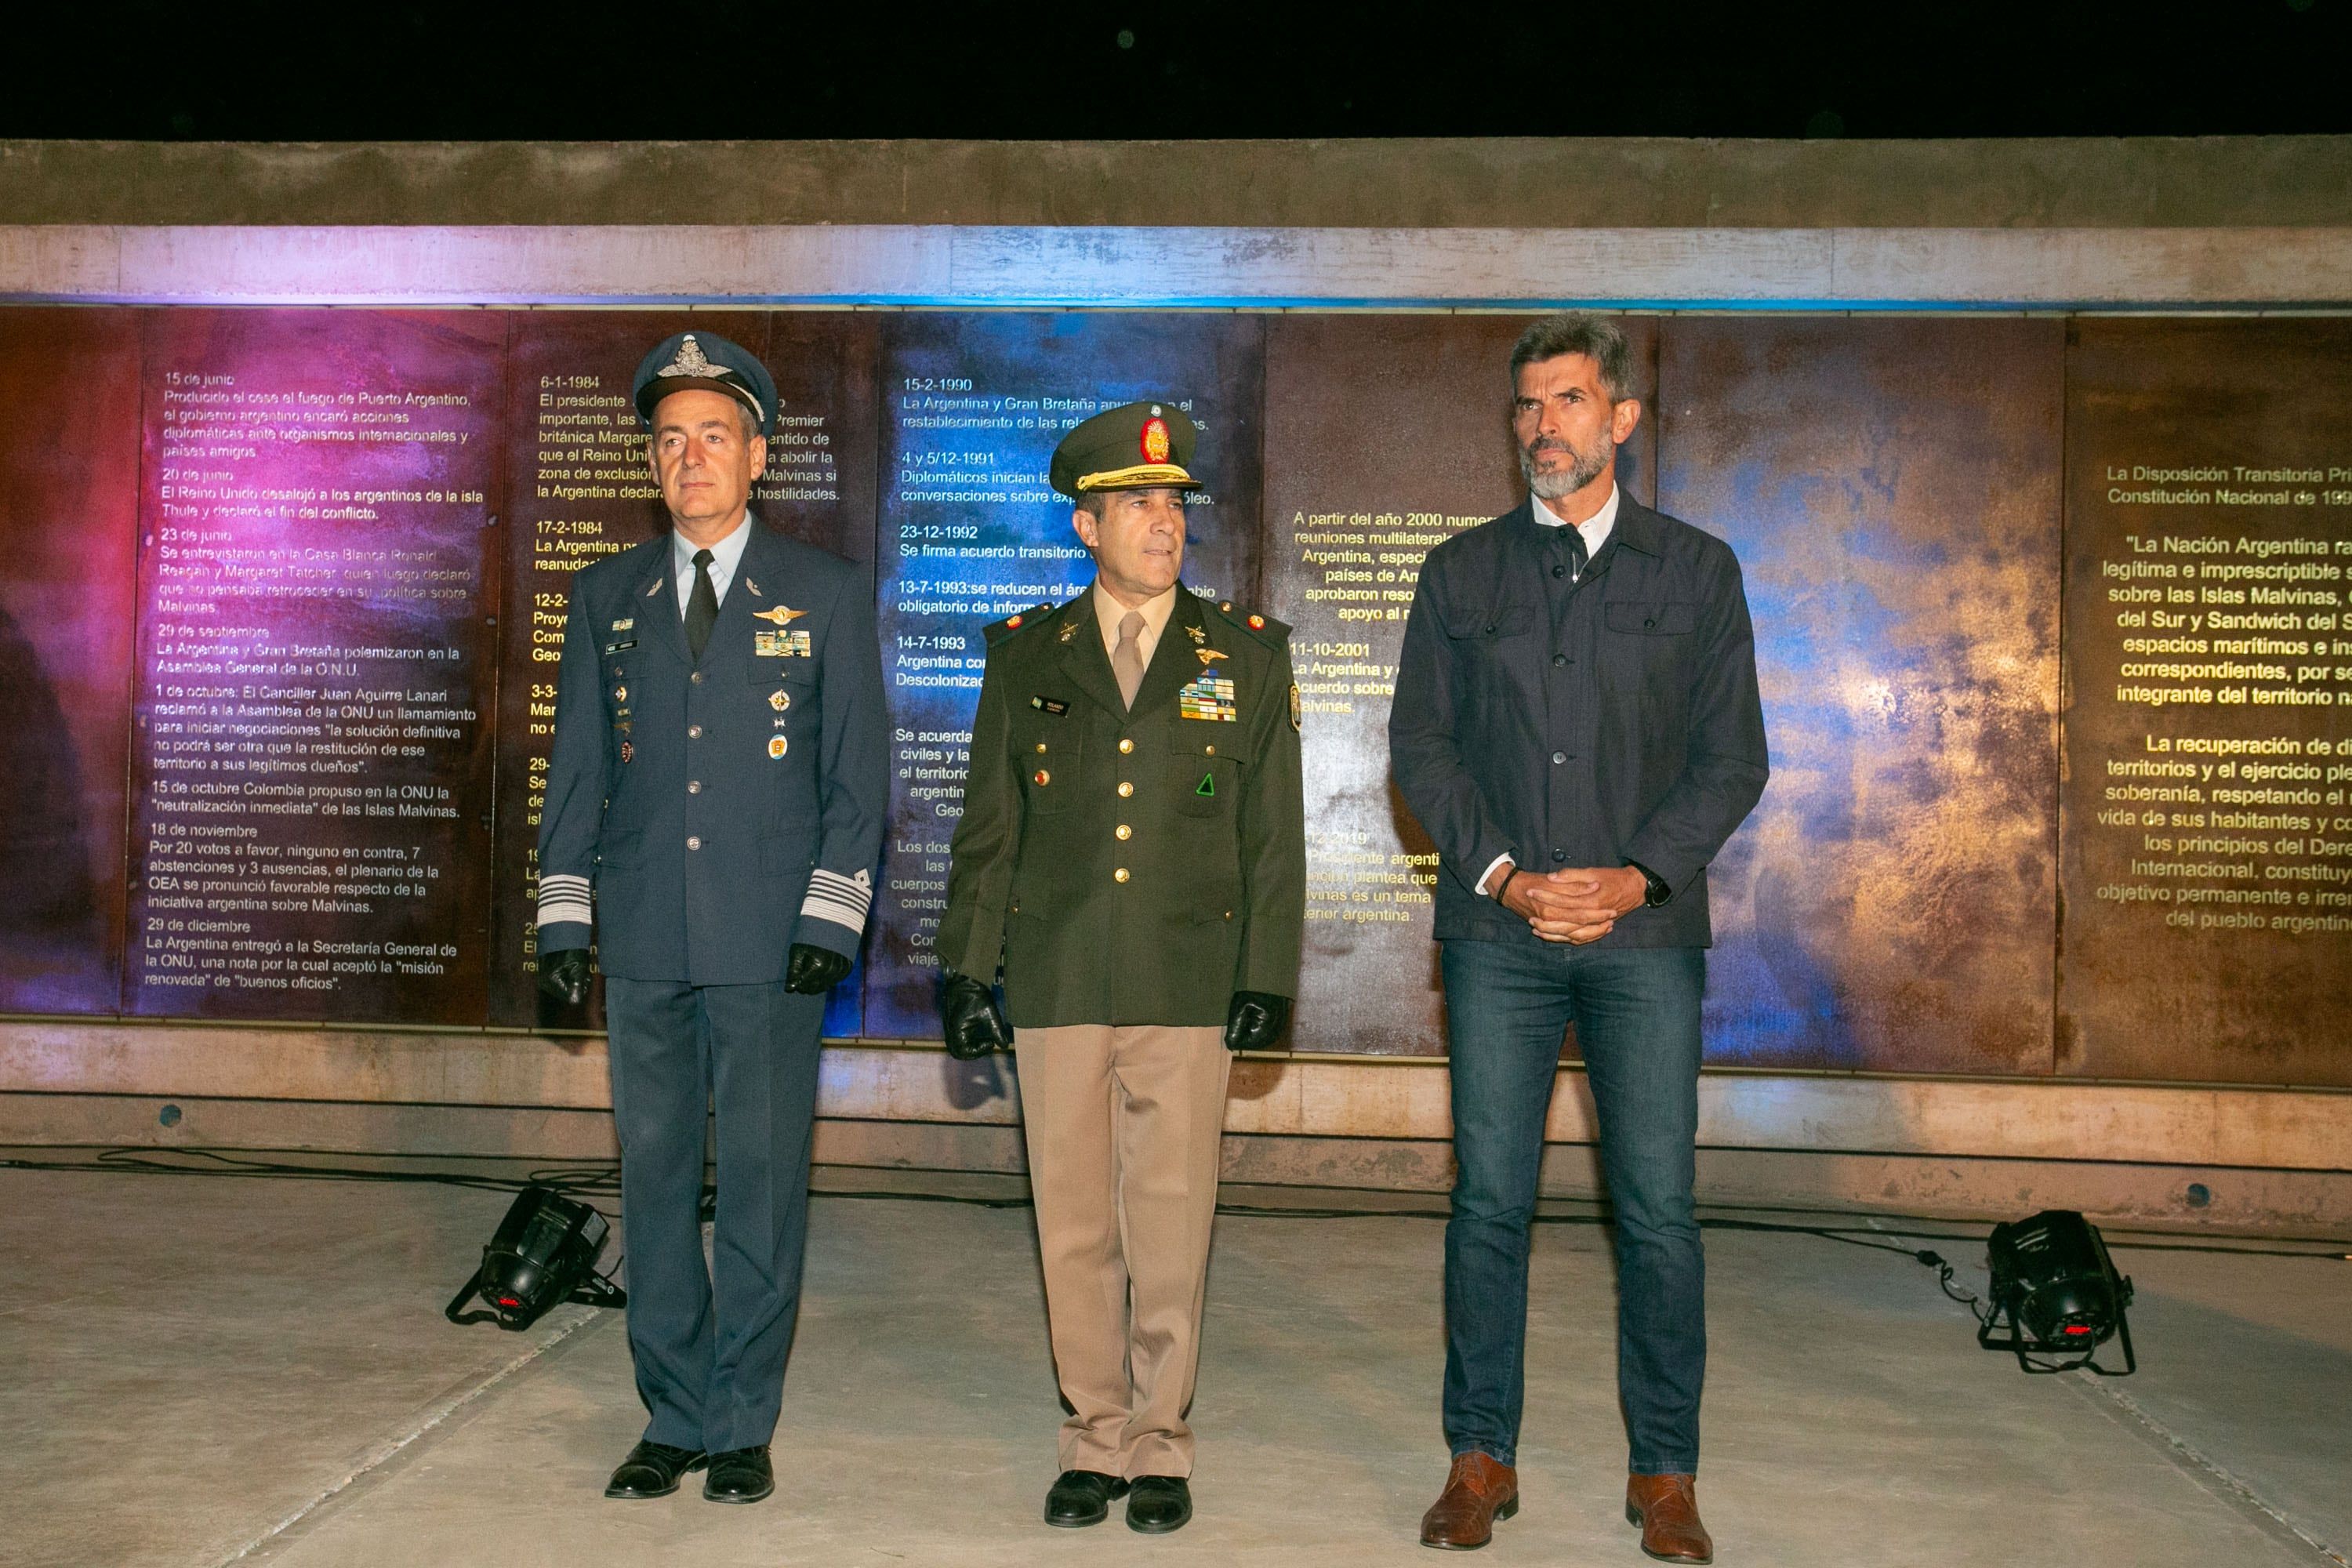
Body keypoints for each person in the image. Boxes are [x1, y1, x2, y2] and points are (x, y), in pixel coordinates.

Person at [1390, 314, 1768, 1561]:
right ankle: (1478, 1459)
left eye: (1565, 401)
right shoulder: (1460, 575)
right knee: (1489, 1204)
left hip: (1643, 946)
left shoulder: (1697, 571)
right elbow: (1423, 754)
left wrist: (1635, 877)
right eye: (1525, 406)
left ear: (1621, 418)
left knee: (1657, 1212)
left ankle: (1666, 1476)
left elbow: (1732, 762)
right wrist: (1504, 877)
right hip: (1496, 938)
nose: (1541, 425)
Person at [935, 400, 1305, 1535]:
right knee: (1073, 1221)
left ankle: (1162, 1441)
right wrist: (967, 966)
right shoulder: (1026, 654)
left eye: (1176, 503)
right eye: (1139, 504)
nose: (1165, 521)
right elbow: (990, 830)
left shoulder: (1240, 653)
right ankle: (1093, 1436)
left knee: (1170, 1214)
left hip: (1186, 978)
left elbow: (1272, 833)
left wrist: (1266, 974)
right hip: (1053, 976)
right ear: (1086, 526)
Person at [534, 331, 886, 1505]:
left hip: (770, 942)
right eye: (672, 439)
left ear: (759, 456)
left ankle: (741, 1420)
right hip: (641, 938)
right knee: (652, 1180)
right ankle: (671, 1414)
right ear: (652, 461)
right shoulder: (606, 596)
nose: (692, 458)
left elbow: (856, 783)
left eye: (715, 436)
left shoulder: (825, 593)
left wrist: (830, 921)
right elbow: (577, 770)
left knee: (762, 1183)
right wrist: (563, 919)